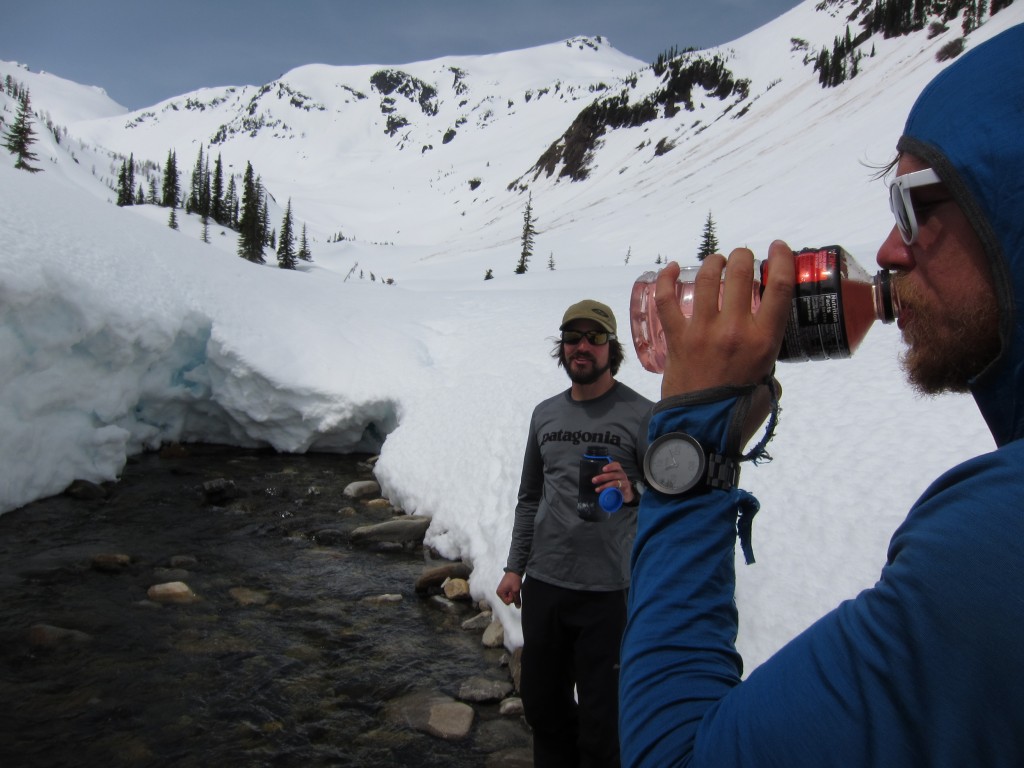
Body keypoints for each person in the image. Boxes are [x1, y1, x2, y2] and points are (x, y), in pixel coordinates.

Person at [619, 24, 1024, 767]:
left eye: (916, 205)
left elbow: (673, 756)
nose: (892, 249)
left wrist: (691, 444)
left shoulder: (1000, 546)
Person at [496, 299, 652, 767]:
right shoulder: (545, 415)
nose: (582, 347)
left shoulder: (642, 414)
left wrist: (633, 490)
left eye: (594, 337)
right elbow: (529, 497)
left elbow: (672, 494)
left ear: (611, 348)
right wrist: (514, 567)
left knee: (604, 721)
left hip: (608, 590)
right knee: (543, 708)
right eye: (572, 337)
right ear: (561, 347)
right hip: (545, 584)